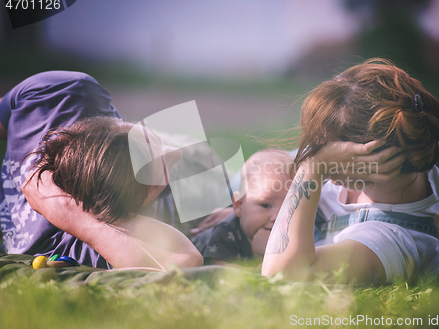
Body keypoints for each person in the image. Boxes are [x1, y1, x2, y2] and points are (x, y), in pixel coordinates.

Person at [262, 58, 439, 283]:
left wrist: (313, 167)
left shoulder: (390, 243)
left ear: (374, 156)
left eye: (331, 151)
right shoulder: (424, 128)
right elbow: (265, 165)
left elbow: (279, 275)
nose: (320, 155)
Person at [0, 71, 202, 269]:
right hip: (198, 185)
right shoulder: (96, 244)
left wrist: (72, 216)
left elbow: (187, 262)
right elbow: (183, 260)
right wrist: (81, 222)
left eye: (144, 135)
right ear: (121, 214)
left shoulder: (59, 94)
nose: (176, 153)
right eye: (160, 175)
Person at [200, 149, 293, 266]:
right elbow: (223, 279)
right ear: (239, 205)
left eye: (289, 207)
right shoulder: (224, 234)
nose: (278, 217)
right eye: (265, 205)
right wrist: (260, 257)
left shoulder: (294, 234)